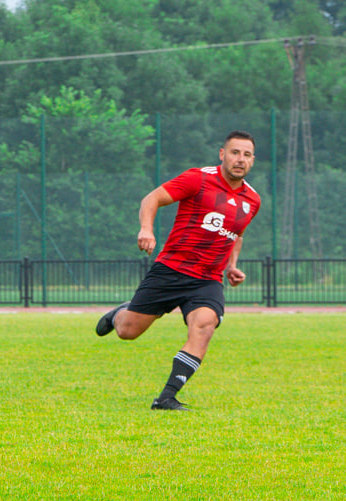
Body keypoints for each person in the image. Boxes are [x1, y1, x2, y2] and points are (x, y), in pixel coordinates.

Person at [95, 130, 261, 411]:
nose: (240, 159)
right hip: (171, 270)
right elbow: (152, 198)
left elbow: (236, 233)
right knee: (128, 332)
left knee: (205, 325)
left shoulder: (252, 200)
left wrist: (232, 266)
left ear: (253, 160)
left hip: (207, 279)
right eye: (234, 152)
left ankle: (166, 398)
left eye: (246, 155)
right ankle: (120, 313)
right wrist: (146, 229)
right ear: (222, 154)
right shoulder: (199, 178)